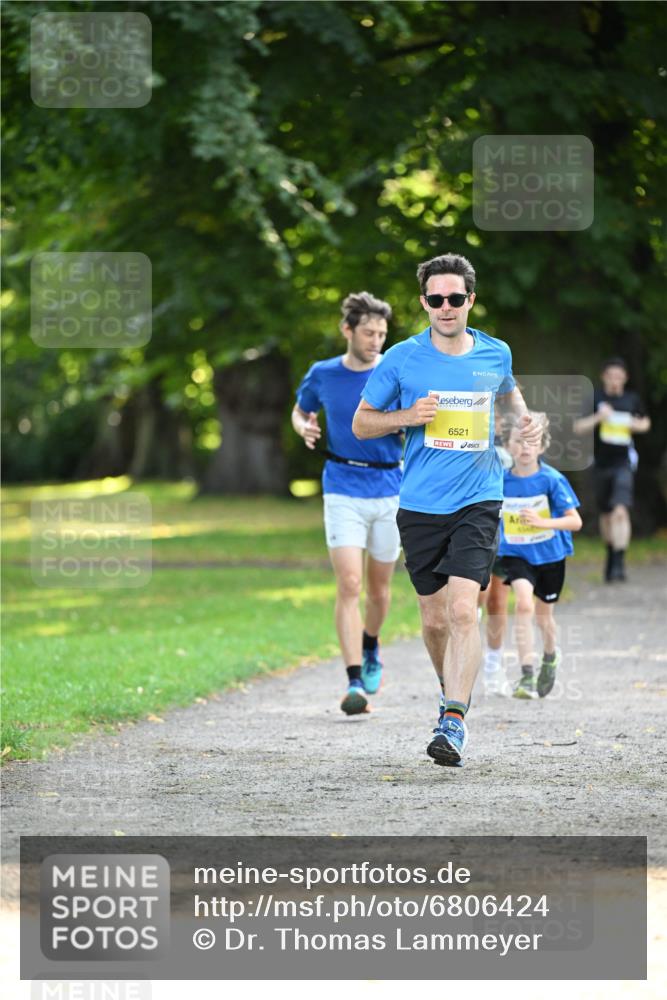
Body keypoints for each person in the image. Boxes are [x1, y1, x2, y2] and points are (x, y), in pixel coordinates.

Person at [352, 253, 541, 767]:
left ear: (470, 300)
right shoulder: (402, 358)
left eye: (455, 297)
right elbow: (361, 424)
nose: (446, 306)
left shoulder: (495, 352)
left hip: (479, 497)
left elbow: (510, 395)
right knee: (435, 620)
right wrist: (408, 415)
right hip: (419, 503)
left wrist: (525, 422)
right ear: (424, 303)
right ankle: (448, 689)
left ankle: (454, 720)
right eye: (436, 299)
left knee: (462, 610)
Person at [292, 291, 402, 716]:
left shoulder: (394, 371)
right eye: (369, 333)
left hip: (390, 487)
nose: (376, 341)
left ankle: (371, 643)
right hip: (341, 487)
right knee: (350, 584)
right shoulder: (322, 374)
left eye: (382, 334)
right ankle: (354, 681)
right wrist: (304, 427)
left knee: (379, 589)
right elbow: (300, 411)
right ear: (347, 331)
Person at [496, 412, 582, 699]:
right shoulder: (500, 482)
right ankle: (526, 675)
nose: (525, 447)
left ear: (542, 446)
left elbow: (575, 522)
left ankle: (550, 655)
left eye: (531, 441)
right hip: (516, 553)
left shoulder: (551, 480)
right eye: (518, 441)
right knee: (523, 605)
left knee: (544, 618)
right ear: (507, 445)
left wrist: (542, 522)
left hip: (550, 556)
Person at [573, 358, 650, 582]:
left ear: (625, 378)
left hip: (623, 463)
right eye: (611, 376)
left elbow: (646, 423)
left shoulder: (632, 399)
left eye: (619, 377)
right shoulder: (595, 398)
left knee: (620, 511)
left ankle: (619, 563)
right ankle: (610, 555)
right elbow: (578, 427)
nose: (615, 381)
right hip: (599, 464)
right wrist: (599, 417)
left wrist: (635, 425)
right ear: (604, 377)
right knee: (606, 514)